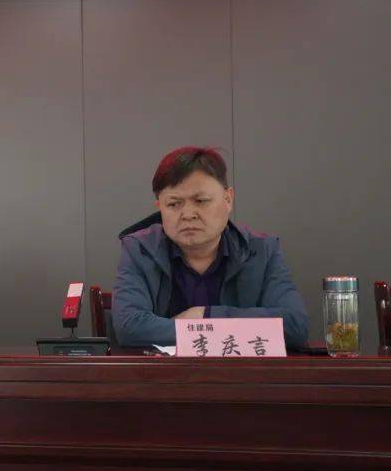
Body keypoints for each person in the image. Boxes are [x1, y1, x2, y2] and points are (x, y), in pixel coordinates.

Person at [112, 146, 308, 348]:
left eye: (201, 201)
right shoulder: (140, 249)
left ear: (228, 199)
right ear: (160, 207)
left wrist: (205, 315)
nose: (188, 214)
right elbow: (129, 327)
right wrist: (214, 328)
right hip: (165, 369)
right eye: (173, 204)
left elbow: (295, 326)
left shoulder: (261, 251)